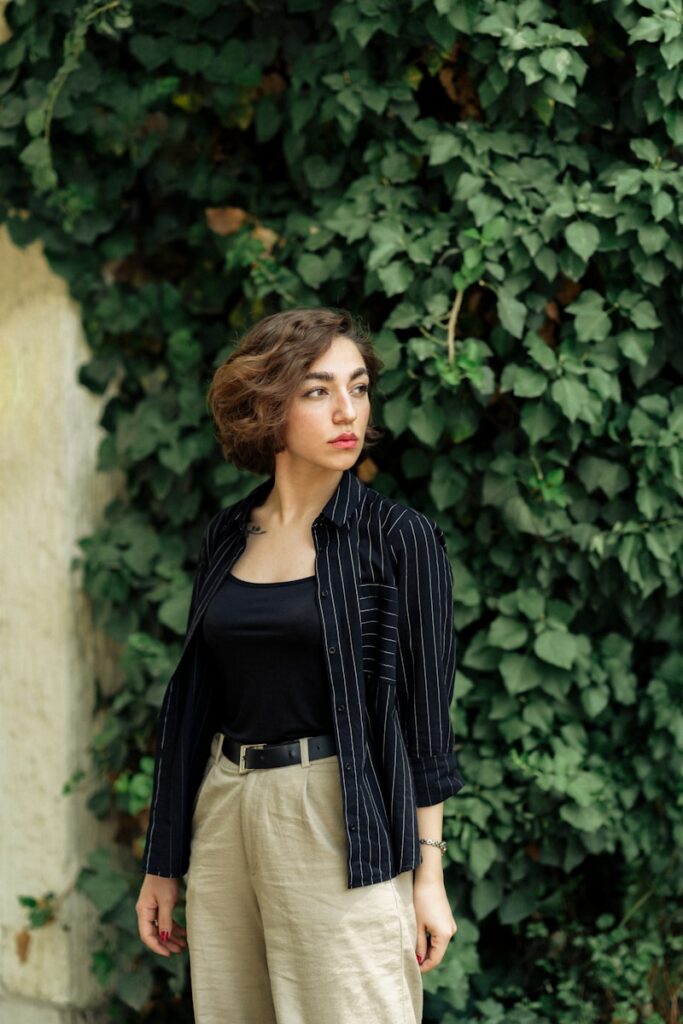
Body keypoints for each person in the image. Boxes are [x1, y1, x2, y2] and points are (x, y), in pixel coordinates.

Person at [135, 307, 466, 1023]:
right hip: (225, 810)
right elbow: (195, 702)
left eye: (357, 387)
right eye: (317, 391)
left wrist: (427, 875)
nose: (347, 411)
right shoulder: (228, 534)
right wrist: (164, 860)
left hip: (337, 813)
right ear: (266, 406)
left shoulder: (399, 539)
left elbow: (425, 723)